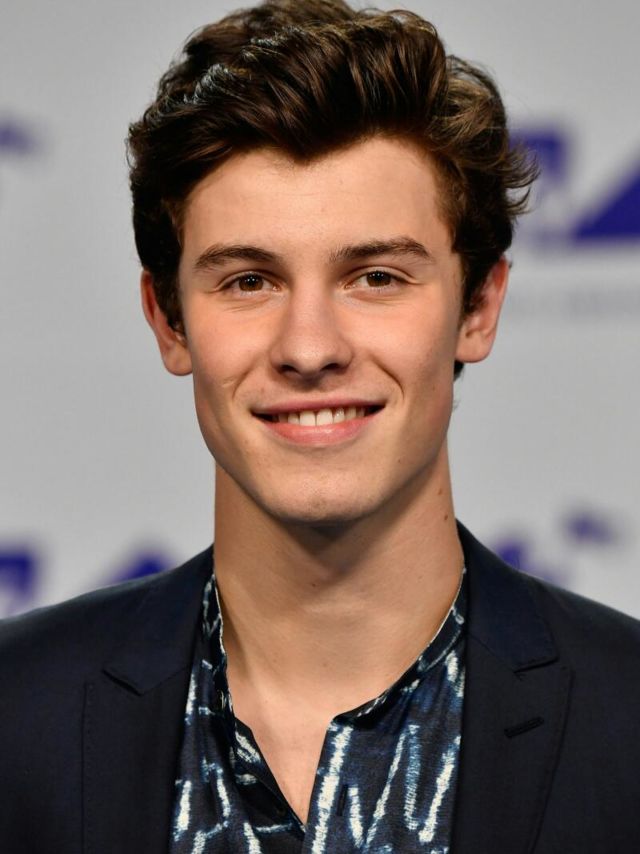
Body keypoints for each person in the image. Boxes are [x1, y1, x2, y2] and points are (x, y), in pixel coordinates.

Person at [1, 1, 639, 851]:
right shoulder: (16, 714)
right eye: (248, 281)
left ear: (479, 307)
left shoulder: (627, 717)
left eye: (376, 277)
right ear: (168, 320)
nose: (309, 349)